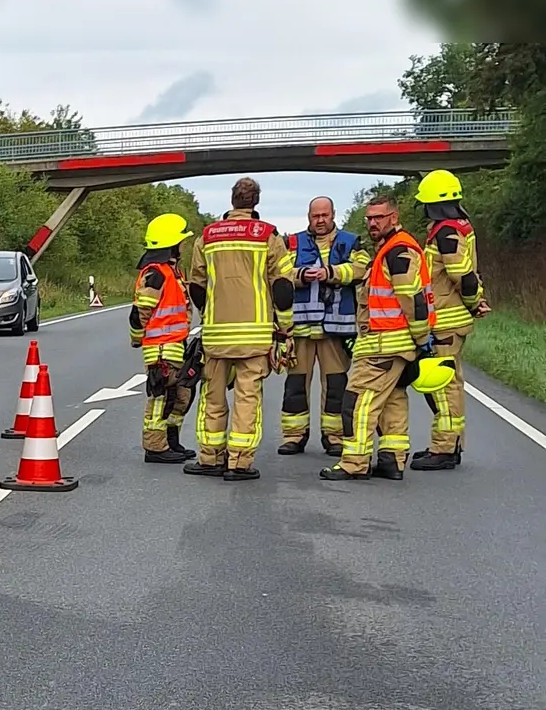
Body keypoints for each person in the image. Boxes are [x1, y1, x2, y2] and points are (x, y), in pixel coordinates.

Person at [182, 177, 296, 482]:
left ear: (232, 200)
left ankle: (209, 459)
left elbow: (197, 286)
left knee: (213, 397)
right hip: (255, 336)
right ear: (255, 202)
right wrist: (284, 328)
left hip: (217, 334)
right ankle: (239, 463)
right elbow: (283, 287)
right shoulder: (268, 236)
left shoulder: (207, 237)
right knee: (248, 398)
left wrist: (208, 314)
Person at [320, 193, 436, 481]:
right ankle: (391, 461)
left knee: (358, 402)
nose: (372, 223)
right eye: (369, 218)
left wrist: (422, 341)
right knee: (393, 400)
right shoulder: (389, 249)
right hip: (387, 343)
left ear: (394, 218)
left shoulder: (398, 251)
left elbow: (413, 299)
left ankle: (354, 463)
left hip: (384, 344)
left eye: (378, 218)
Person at [410, 169, 491, 471]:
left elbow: (461, 275)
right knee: (451, 384)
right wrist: (475, 301)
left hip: (445, 320)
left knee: (443, 386)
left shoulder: (445, 232)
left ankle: (444, 448)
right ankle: (450, 444)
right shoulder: (457, 227)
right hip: (450, 317)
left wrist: (474, 302)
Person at [280, 197, 369, 457]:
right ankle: (294, 436)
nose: (320, 220)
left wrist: (331, 273)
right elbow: (278, 273)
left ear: (333, 215)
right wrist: (300, 276)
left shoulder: (351, 241)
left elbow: (363, 269)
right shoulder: (293, 243)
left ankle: (335, 437)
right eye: (315, 215)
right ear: (308, 216)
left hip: (336, 328)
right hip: (301, 328)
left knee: (336, 385)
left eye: (325, 215)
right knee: (295, 386)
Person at [130, 213, 199, 463]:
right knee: (161, 397)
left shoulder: (171, 272)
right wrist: (138, 339)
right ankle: (155, 448)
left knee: (181, 396)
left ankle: (171, 441)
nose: (183, 245)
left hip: (175, 345)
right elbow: (139, 314)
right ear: (171, 244)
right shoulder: (156, 273)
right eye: (181, 241)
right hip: (161, 349)